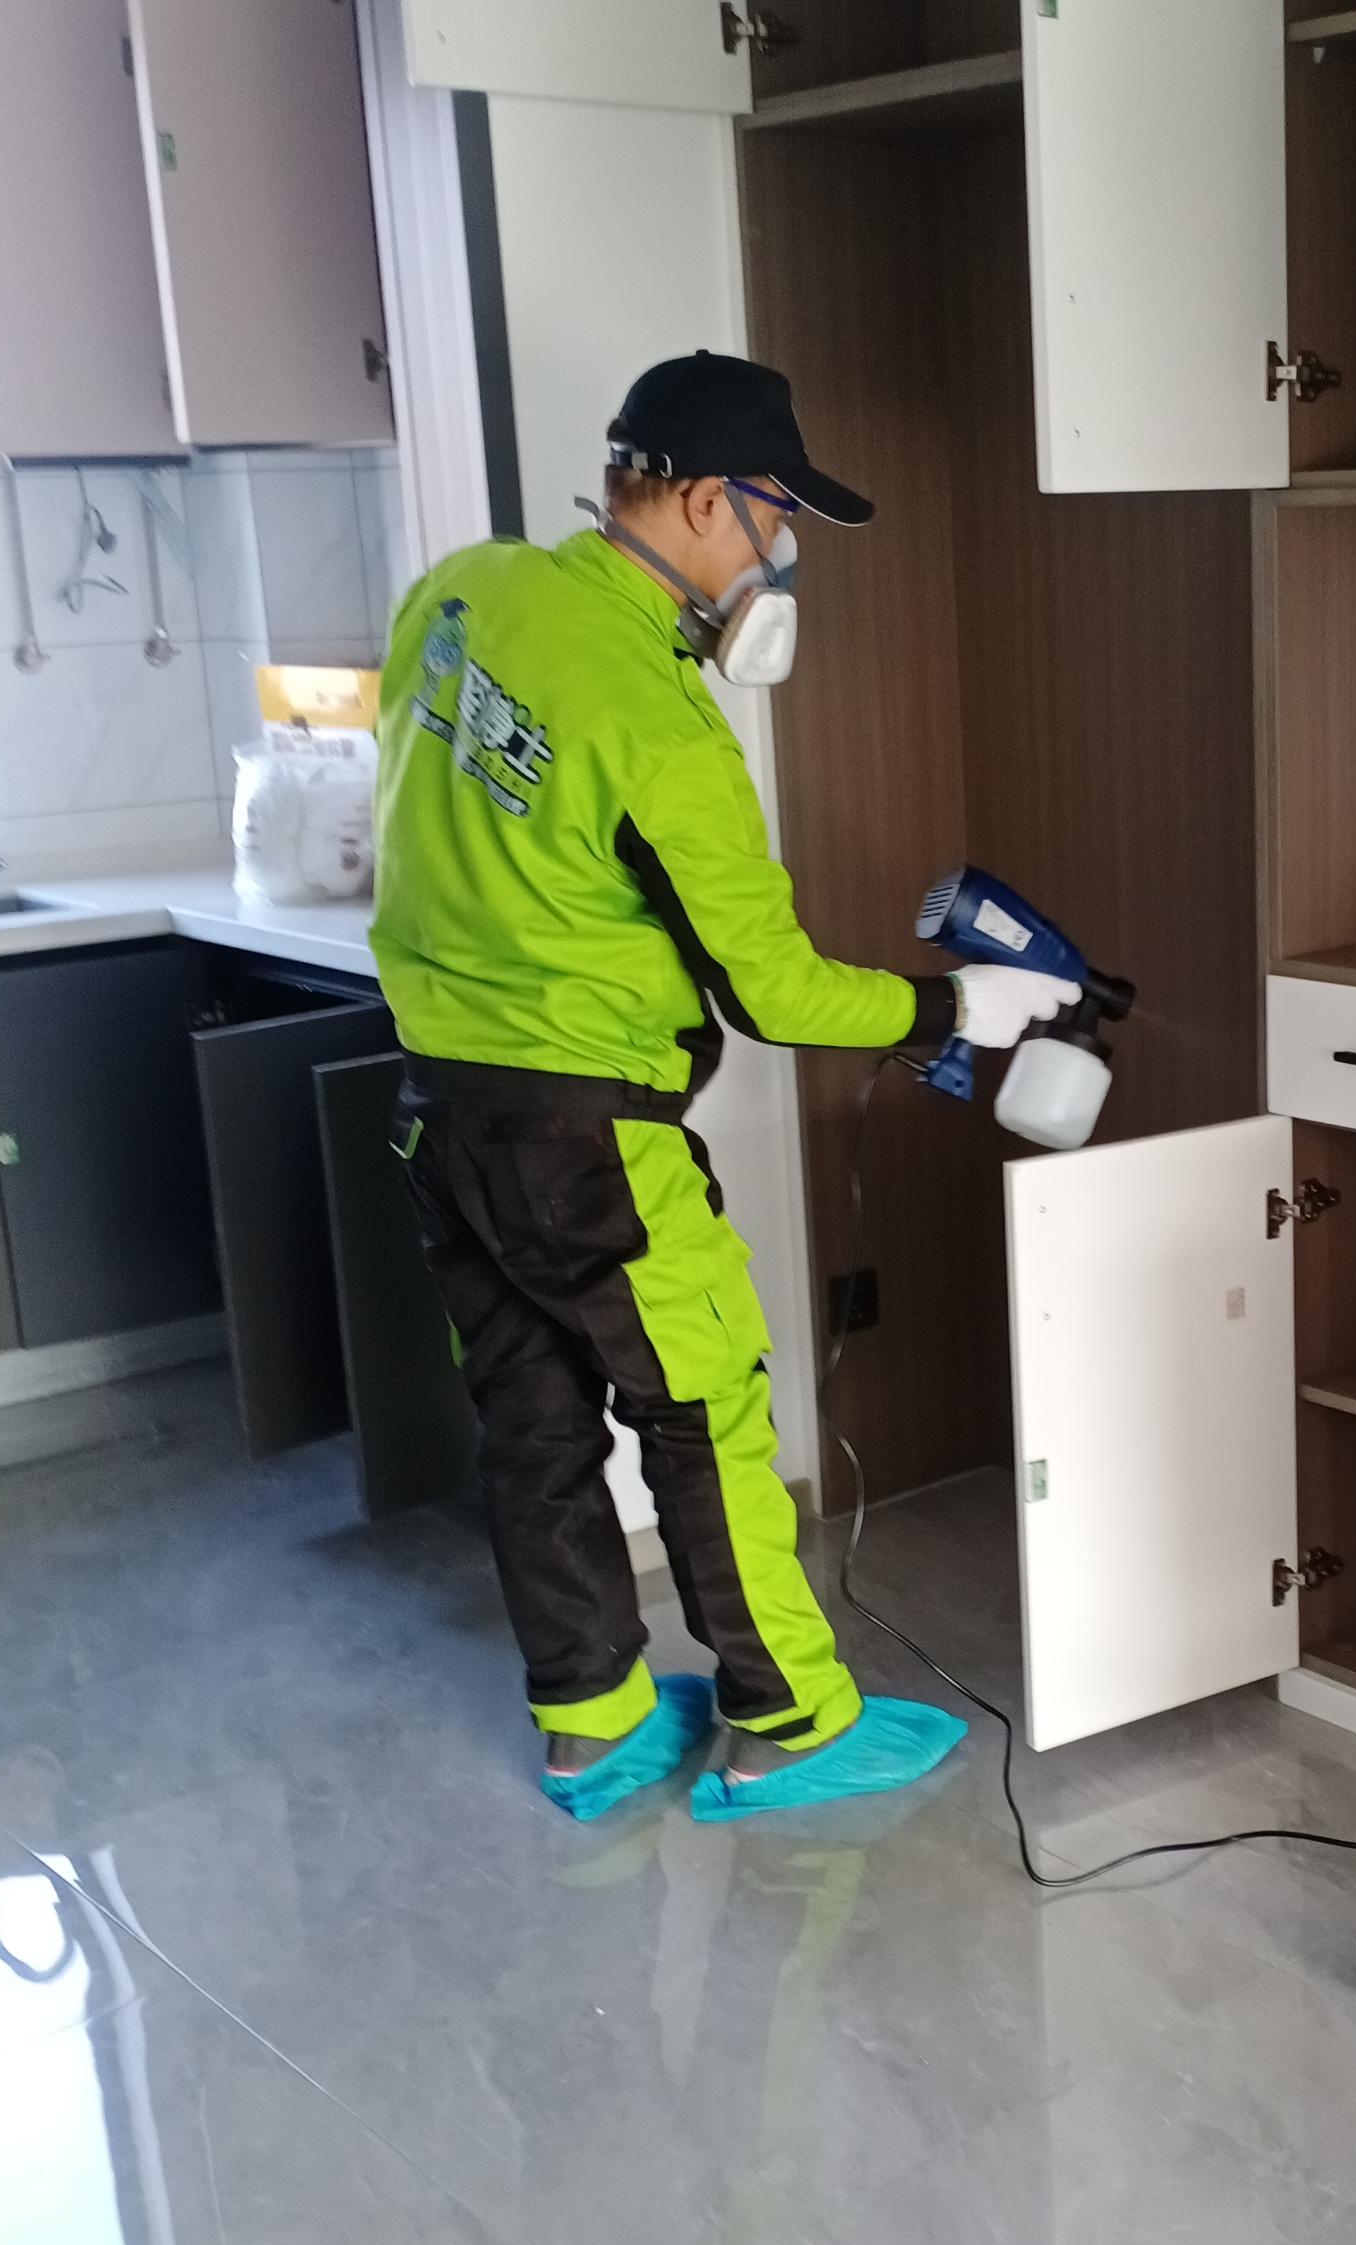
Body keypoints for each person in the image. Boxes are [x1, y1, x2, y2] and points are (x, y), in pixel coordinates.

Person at [370, 351, 1073, 1822]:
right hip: (587, 1139)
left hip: (441, 1112)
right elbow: (774, 993)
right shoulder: (659, 724)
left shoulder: (465, 589)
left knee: (534, 1419)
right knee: (703, 1410)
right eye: (776, 517)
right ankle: (788, 1722)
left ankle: (591, 1723)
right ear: (701, 501)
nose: (782, 552)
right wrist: (957, 1002)